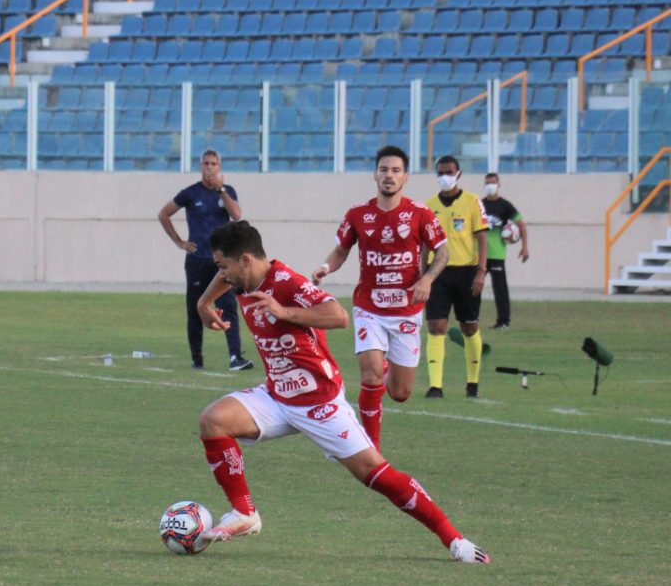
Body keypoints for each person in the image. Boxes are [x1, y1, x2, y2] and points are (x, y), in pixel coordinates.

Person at [194, 220, 489, 563]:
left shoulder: (287, 283)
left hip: (320, 402)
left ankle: (454, 540)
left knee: (378, 476)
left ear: (245, 260)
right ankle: (245, 513)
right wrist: (204, 303)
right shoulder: (243, 278)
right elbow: (223, 280)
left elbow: (339, 316)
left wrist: (284, 312)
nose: (221, 275)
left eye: (223, 266)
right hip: (276, 396)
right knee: (213, 421)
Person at [310, 146, 449, 450]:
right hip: (369, 308)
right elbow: (341, 251)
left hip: (407, 311)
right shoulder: (358, 213)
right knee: (371, 375)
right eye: (384, 169)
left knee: (400, 393)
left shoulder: (421, 214)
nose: (389, 175)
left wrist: (427, 279)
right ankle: (371, 448)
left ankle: (387, 370)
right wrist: (325, 268)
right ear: (375, 174)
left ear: (405, 177)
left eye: (396, 170)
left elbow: (443, 252)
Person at [158, 149, 253, 371]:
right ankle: (197, 358)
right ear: (200, 166)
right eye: (206, 163)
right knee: (195, 307)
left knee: (227, 305)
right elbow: (164, 214)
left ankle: (235, 357)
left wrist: (221, 189)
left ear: (219, 167)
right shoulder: (191, 193)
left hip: (222, 261)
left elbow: (237, 215)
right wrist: (180, 242)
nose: (209, 167)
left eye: (213, 164)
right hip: (198, 260)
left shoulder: (227, 191)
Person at [424, 156, 490, 399]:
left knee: (469, 326)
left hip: (467, 271)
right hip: (437, 272)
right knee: (436, 325)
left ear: (458, 174)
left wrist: (481, 271)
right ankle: (435, 386)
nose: (445, 177)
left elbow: (482, 239)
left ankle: (472, 383)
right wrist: (422, 275)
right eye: (441, 172)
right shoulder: (429, 206)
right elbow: (424, 244)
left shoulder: (472, 202)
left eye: (449, 172)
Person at [481, 173, 529, 330]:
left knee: (500, 289)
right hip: (480, 255)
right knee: (472, 288)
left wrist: (524, 247)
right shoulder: (479, 205)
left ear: (498, 184)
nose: (490, 186)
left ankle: (503, 322)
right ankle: (470, 320)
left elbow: (521, 225)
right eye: (487, 183)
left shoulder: (505, 205)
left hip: (497, 255)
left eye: (493, 183)